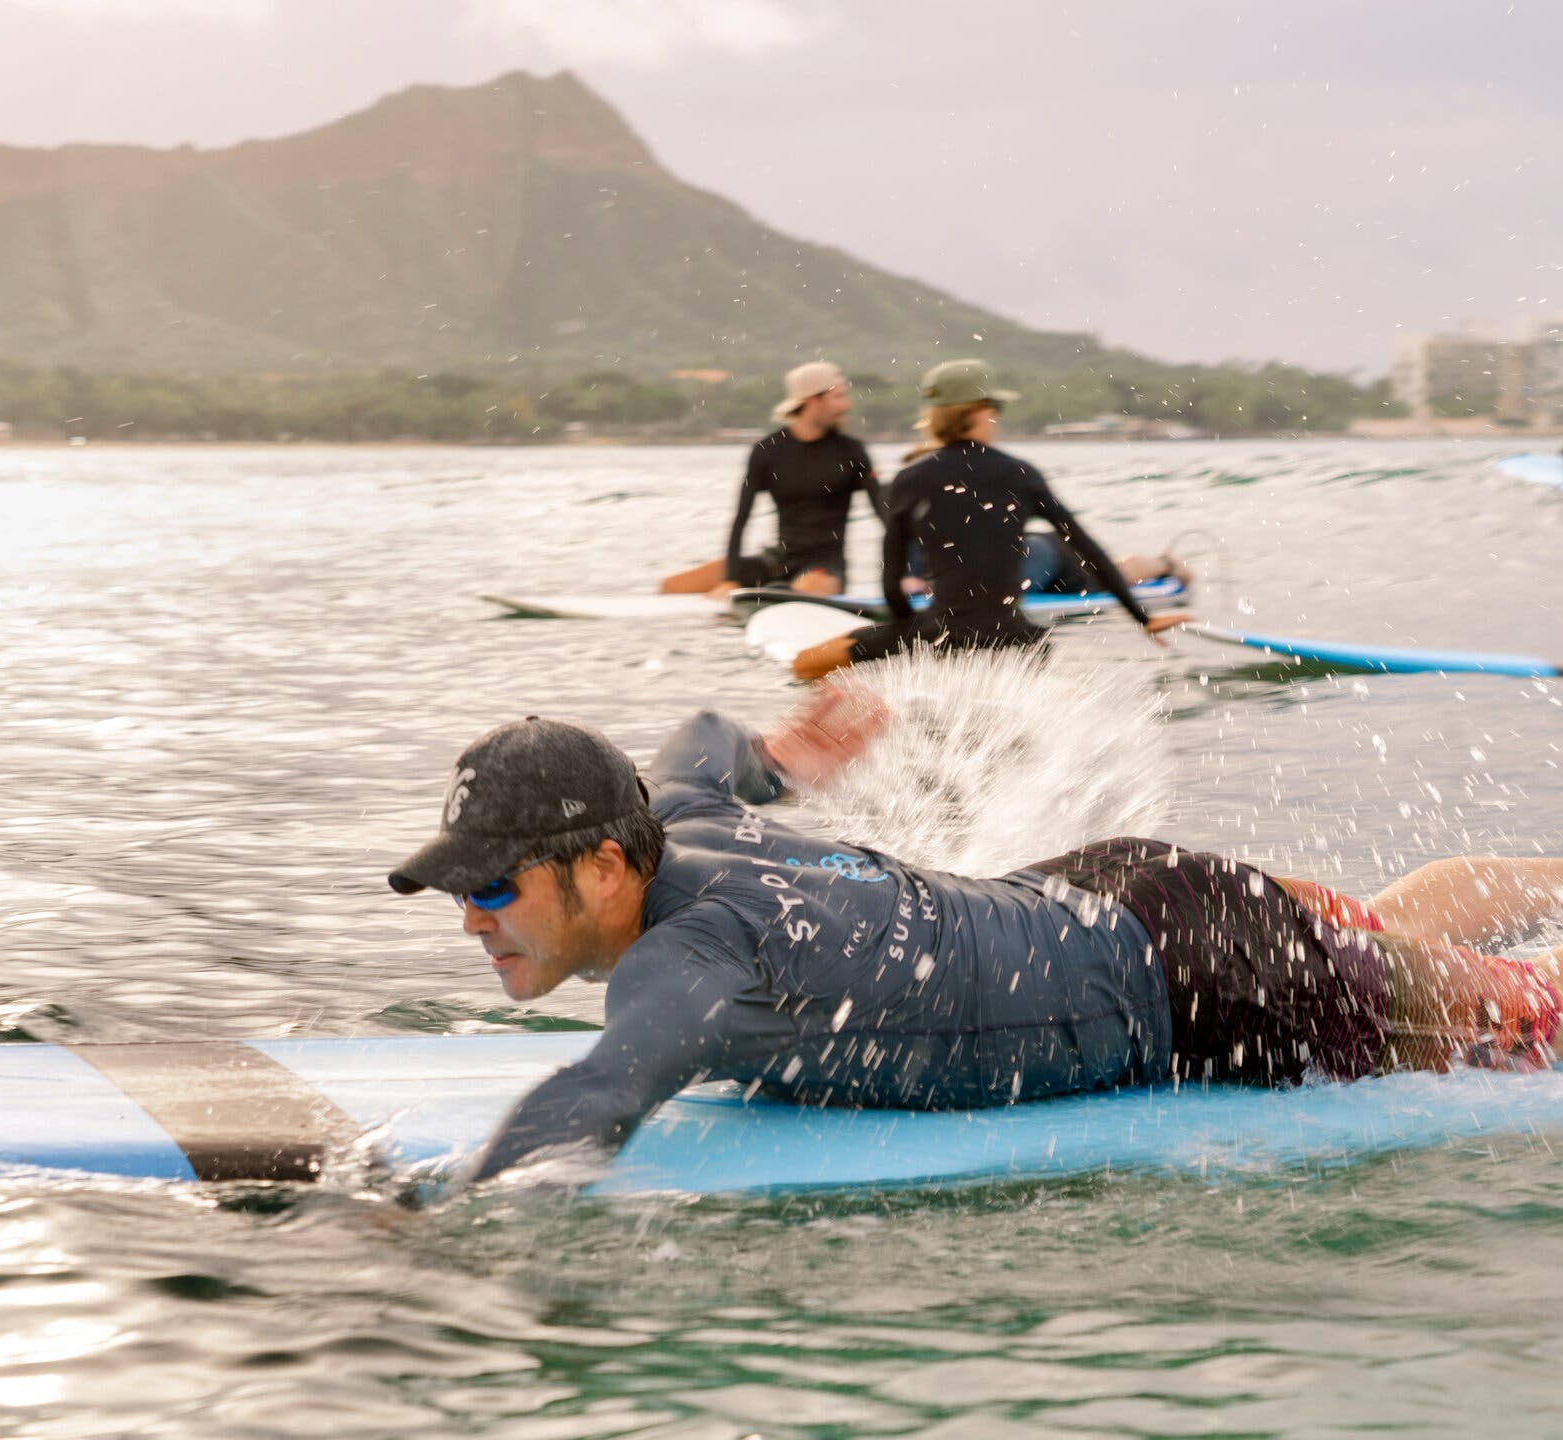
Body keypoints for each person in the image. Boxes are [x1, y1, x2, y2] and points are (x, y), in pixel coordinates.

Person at [388, 687, 1563, 1185]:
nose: (471, 919)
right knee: (1404, 925)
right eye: (458, 892)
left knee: (1520, 1017)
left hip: (1202, 983)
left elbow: (595, 1100)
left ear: (602, 866)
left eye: (494, 889)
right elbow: (701, 738)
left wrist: (419, 1221)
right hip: (1121, 891)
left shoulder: (682, 967)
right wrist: (780, 763)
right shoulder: (674, 814)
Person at [793, 359, 1191, 681]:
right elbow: (1087, 548)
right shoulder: (1019, 472)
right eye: (995, 410)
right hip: (1018, 639)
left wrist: (907, 637)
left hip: (941, 632)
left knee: (806, 664)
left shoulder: (910, 479)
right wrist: (1143, 620)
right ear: (981, 412)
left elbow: (891, 579)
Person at [660, 361, 885, 598]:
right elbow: (740, 520)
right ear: (812, 400)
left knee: (798, 594)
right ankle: (769, 595)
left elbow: (885, 515)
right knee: (671, 586)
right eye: (838, 397)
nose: (846, 405)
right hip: (776, 561)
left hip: (824, 569)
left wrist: (910, 573)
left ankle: (777, 597)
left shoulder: (851, 452)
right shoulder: (767, 451)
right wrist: (730, 579)